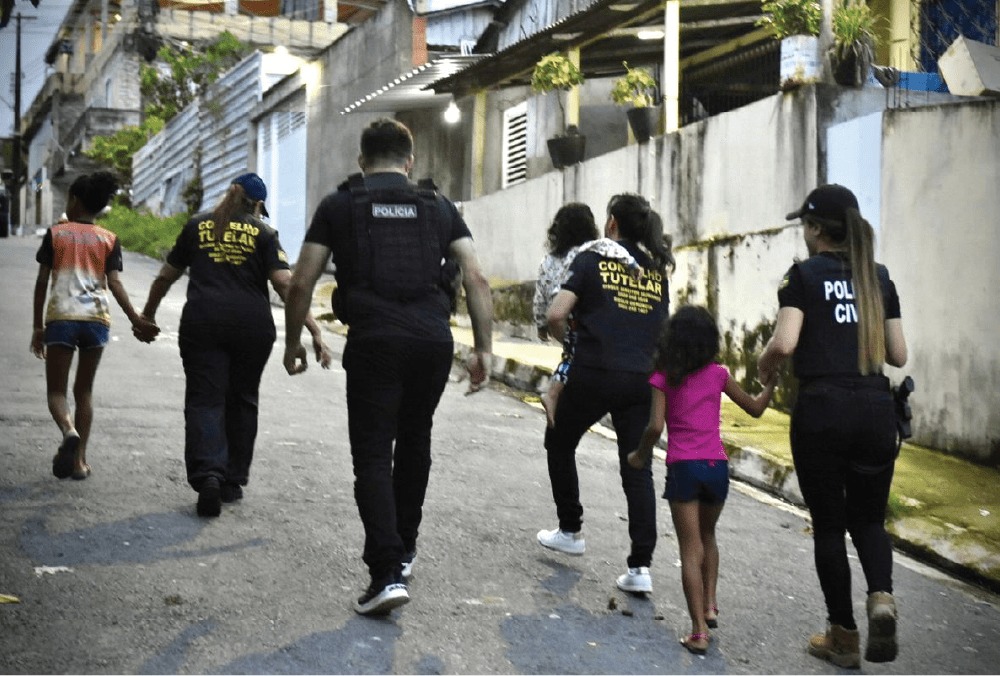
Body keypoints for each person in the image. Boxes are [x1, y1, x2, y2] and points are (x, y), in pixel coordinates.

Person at [282, 119, 494, 616]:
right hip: (431, 342)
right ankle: (405, 548)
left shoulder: (339, 205)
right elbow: (476, 278)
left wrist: (293, 342)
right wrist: (484, 348)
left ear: (362, 160)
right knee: (415, 442)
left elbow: (301, 282)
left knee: (374, 454)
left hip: (375, 341)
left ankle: (386, 573)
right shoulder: (439, 206)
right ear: (409, 161)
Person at [757, 184, 907, 668]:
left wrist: (764, 364)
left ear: (817, 229)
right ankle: (880, 596)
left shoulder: (801, 275)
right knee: (869, 519)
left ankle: (842, 637)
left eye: (805, 224)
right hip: (875, 409)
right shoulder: (878, 277)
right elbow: (898, 355)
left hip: (823, 410)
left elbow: (785, 342)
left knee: (829, 524)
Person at [138, 172, 331, 518]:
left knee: (204, 399)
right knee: (242, 400)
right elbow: (286, 285)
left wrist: (148, 314)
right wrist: (313, 329)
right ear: (258, 204)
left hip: (202, 323)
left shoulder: (196, 226)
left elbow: (166, 275)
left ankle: (209, 475)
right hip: (252, 328)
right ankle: (231, 480)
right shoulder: (265, 233)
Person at [537, 192, 671, 594]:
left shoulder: (592, 258)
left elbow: (556, 314)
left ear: (611, 222)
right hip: (642, 378)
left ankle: (570, 529)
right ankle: (640, 567)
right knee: (637, 466)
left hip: (594, 371)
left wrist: (570, 345)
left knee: (559, 440)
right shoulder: (655, 270)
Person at [628, 305, 775, 655]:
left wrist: (640, 455)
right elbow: (756, 408)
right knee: (709, 536)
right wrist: (772, 382)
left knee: (689, 550)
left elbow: (655, 426)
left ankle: (698, 633)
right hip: (716, 467)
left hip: (684, 468)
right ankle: (710, 605)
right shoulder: (719, 374)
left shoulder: (663, 376)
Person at [30, 171, 159, 480]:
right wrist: (136, 319)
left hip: (62, 317)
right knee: (84, 391)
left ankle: (68, 430)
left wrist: (37, 327)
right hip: (96, 321)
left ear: (74, 200)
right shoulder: (109, 239)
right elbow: (115, 284)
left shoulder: (56, 235)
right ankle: (79, 463)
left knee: (57, 392)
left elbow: (42, 282)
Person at [532, 202, 641, 427]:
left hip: (558, 309)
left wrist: (541, 325)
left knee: (570, 355)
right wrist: (632, 264)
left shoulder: (547, 261)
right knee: (576, 353)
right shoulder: (593, 248)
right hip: (578, 310)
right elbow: (615, 249)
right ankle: (553, 394)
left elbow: (540, 297)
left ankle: (554, 392)